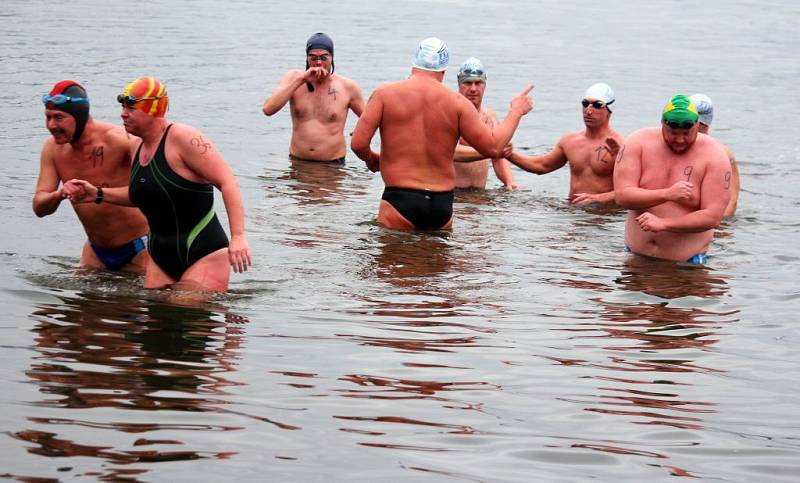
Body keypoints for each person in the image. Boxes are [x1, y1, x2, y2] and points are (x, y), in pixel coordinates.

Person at [63, 77, 252, 292]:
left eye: (131, 107)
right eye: (123, 106)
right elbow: (142, 196)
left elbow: (228, 182)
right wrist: (97, 194)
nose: (123, 113)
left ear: (154, 108)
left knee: (185, 310)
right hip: (160, 256)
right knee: (155, 319)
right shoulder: (136, 147)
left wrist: (238, 237)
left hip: (203, 251)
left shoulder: (183, 137)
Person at [351, 37, 533, 230]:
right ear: (443, 70)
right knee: (437, 258)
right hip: (441, 204)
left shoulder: (384, 94)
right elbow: (494, 147)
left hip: (400, 199)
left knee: (396, 257)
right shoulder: (458, 103)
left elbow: (358, 143)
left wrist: (371, 158)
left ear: (414, 64)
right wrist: (516, 111)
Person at [33, 80, 150, 273]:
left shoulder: (120, 141)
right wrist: (60, 194)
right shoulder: (53, 149)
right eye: (48, 117)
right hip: (96, 252)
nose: (51, 125)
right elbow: (39, 206)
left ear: (79, 116)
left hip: (141, 247)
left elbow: (149, 192)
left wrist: (97, 193)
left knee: (134, 301)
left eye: (59, 117)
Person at [614, 94, 731, 263]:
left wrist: (664, 224)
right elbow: (622, 196)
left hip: (687, 265)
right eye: (673, 133)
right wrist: (667, 194)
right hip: (635, 258)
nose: (680, 140)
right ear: (662, 124)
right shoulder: (637, 142)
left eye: (687, 133)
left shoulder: (715, 156)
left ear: (697, 125)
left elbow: (712, 217)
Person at [506, 83, 624, 204]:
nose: (589, 110)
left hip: (606, 218)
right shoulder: (570, 141)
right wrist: (509, 155)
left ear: (609, 111)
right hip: (572, 215)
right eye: (585, 104)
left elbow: (631, 190)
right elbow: (542, 166)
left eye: (597, 105)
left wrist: (597, 198)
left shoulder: (619, 145)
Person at [262, 32, 365, 163]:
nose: (318, 63)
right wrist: (302, 79)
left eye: (323, 58)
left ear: (332, 58)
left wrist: (360, 131)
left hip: (332, 165)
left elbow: (370, 118)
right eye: (313, 58)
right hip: (298, 163)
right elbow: (268, 109)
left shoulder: (347, 86)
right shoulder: (294, 78)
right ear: (306, 59)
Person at [452, 57, 519, 190]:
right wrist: (491, 151)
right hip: (455, 194)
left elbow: (499, 157)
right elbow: (452, 152)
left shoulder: (490, 116)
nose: (473, 88)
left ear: (485, 85)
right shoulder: (452, 114)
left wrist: (509, 182)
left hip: (480, 194)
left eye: (478, 83)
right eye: (468, 83)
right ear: (459, 84)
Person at [690, 94, 740, 217]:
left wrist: (715, 227)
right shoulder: (724, 152)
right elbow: (732, 202)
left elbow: (731, 201)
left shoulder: (722, 153)